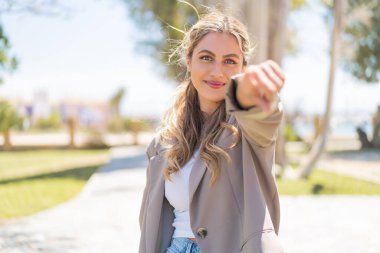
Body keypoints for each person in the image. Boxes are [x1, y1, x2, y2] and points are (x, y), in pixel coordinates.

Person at [139, 10, 285, 253]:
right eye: (206, 58)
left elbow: (264, 121)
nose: (218, 71)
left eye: (229, 61)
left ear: (242, 67)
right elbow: (151, 223)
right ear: (189, 60)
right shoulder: (162, 143)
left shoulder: (246, 131)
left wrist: (253, 98)